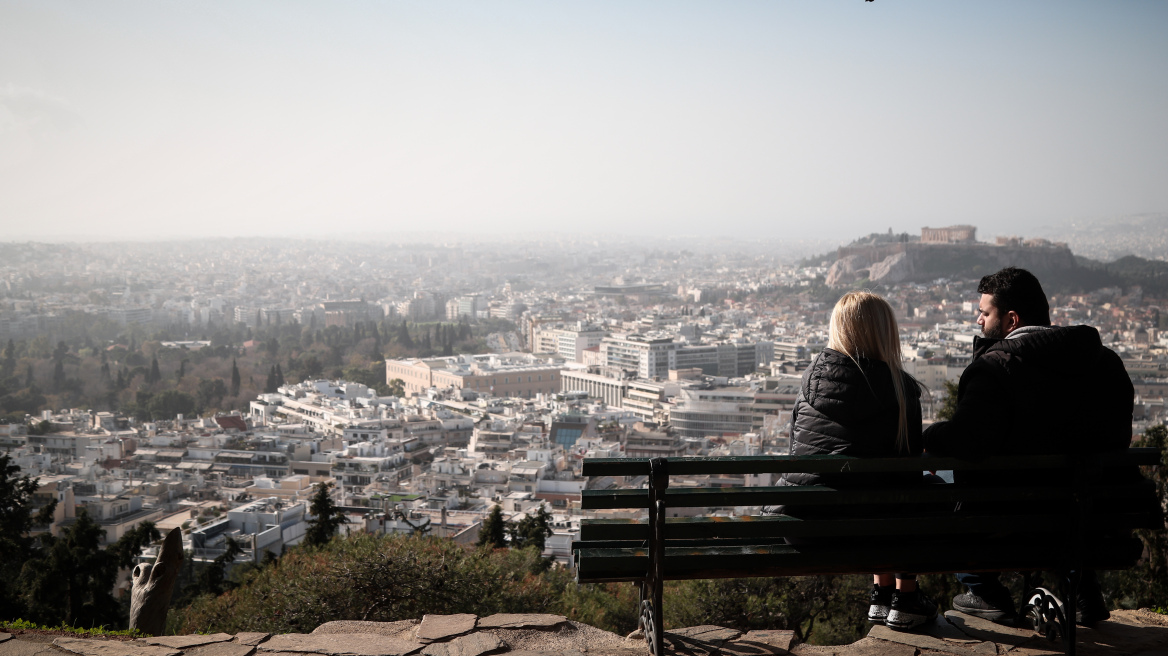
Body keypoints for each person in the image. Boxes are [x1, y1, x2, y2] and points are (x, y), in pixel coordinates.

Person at [923, 267, 1134, 626]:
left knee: (942, 492)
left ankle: (985, 592)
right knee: (1068, 493)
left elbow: (969, 442)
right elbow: (1118, 438)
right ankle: (1082, 591)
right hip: (1096, 519)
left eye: (985, 313)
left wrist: (929, 437)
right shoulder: (1106, 363)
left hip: (1011, 520)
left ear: (1011, 320)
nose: (978, 320)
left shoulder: (996, 369)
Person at [779, 291, 934, 631]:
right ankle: (903, 596)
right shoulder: (901, 390)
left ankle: (881, 592)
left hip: (806, 528)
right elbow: (905, 478)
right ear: (885, 332)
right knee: (917, 492)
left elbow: (797, 454)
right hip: (875, 530)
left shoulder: (810, 383)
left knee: (869, 495)